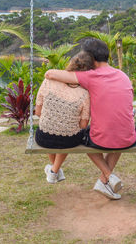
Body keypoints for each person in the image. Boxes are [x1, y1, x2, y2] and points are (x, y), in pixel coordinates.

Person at [45, 38, 136, 200]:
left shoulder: (90, 77)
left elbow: (50, 74)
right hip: (128, 137)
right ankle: (104, 181)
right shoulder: (123, 75)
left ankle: (107, 175)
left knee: (82, 139)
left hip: (103, 139)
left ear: (91, 58)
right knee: (119, 136)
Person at [35, 51, 94, 184]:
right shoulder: (85, 93)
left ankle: (55, 171)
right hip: (70, 141)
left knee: (54, 128)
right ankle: (55, 171)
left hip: (43, 138)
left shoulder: (48, 81)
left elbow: (38, 112)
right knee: (67, 131)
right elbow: (83, 125)